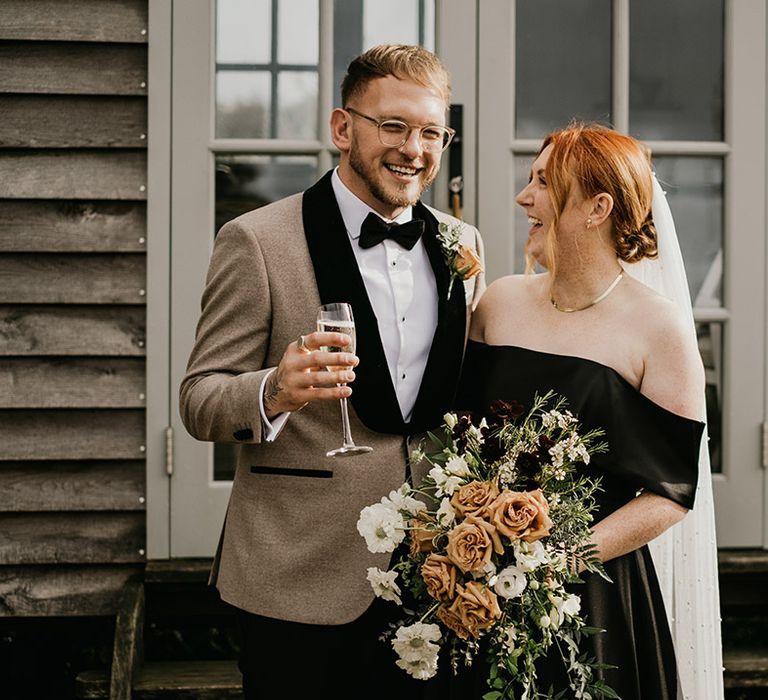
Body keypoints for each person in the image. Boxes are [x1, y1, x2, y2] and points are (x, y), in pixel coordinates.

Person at [179, 44, 485, 699]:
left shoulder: (464, 245)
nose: (415, 149)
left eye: (432, 132)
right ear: (342, 129)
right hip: (299, 579)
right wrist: (274, 390)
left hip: (436, 579)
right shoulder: (256, 241)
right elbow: (200, 399)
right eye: (394, 126)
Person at [453, 122, 723, 699]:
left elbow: (671, 492)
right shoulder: (498, 302)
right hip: (474, 580)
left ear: (598, 207)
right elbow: (455, 436)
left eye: (545, 184)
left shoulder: (659, 328)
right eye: (529, 180)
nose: (525, 197)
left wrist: (554, 561)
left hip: (591, 591)